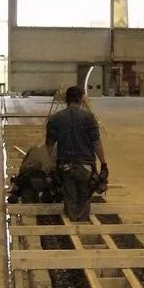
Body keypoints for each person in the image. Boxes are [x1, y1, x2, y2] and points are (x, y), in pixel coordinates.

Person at [45, 86, 107, 221]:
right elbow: (96, 143)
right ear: (81, 99)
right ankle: (83, 225)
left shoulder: (56, 118)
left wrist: (49, 167)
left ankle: (73, 224)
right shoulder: (89, 118)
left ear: (66, 99)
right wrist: (103, 163)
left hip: (65, 166)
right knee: (84, 199)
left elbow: (49, 146)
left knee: (70, 199)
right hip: (86, 167)